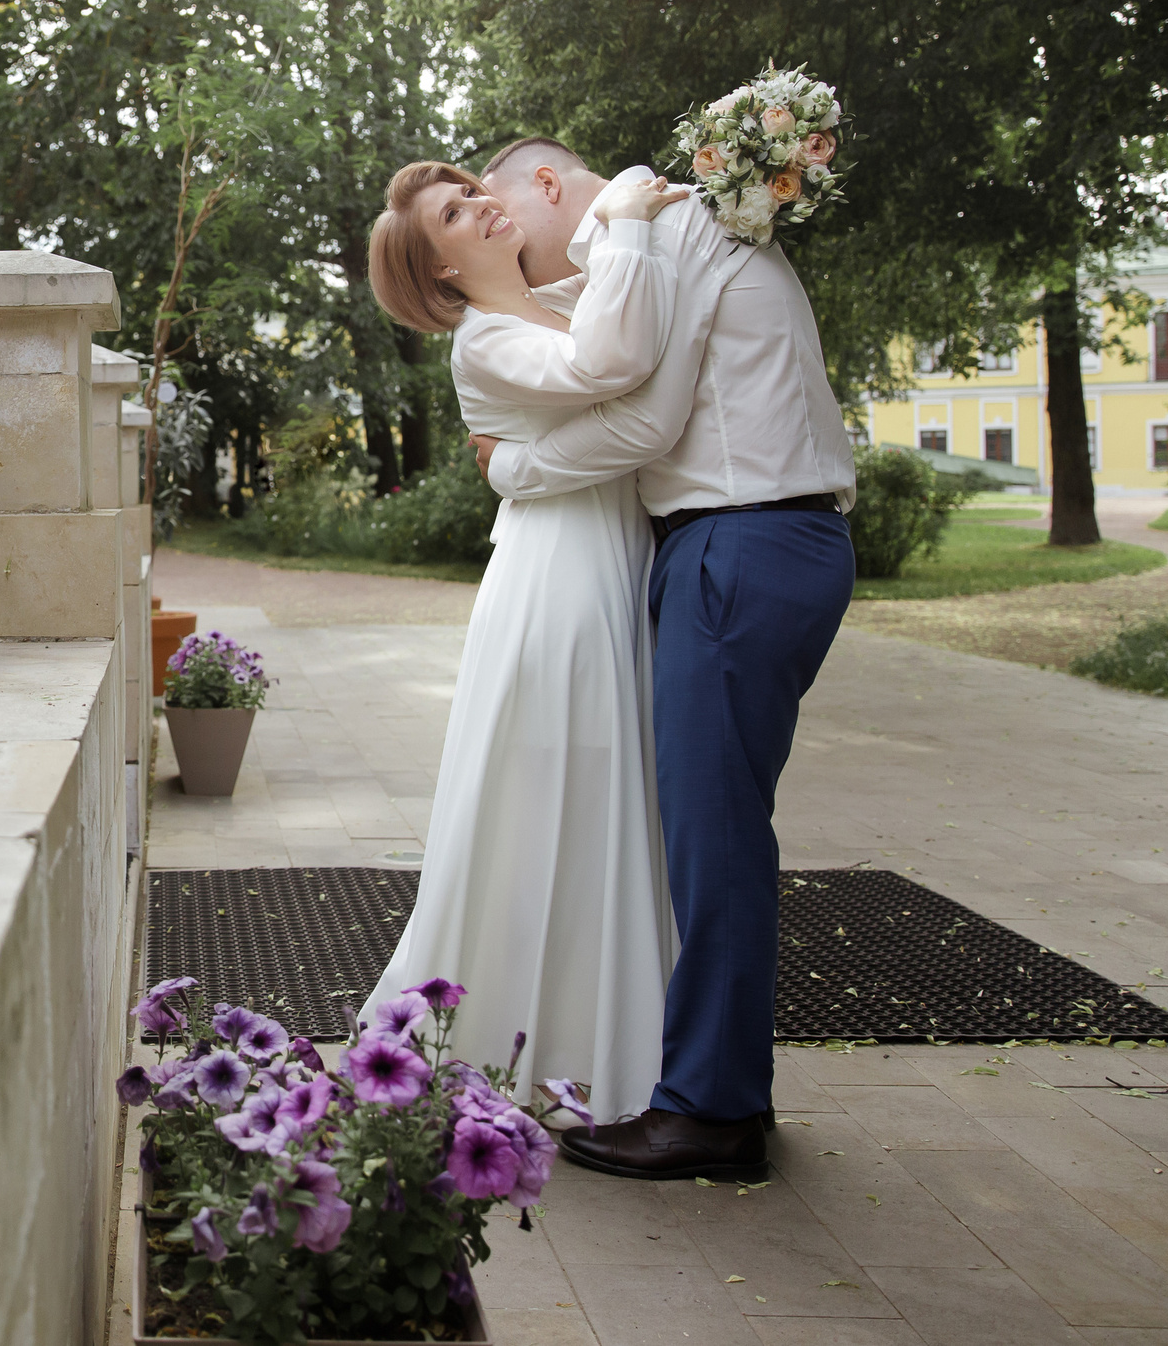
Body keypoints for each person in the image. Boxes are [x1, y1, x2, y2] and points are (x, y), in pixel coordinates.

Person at [470, 137, 856, 1183]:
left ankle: (709, 1112)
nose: (511, 245)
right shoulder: (666, 231)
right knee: (711, 830)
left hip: (741, 542)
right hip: (758, 541)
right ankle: (725, 1089)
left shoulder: (661, 230)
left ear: (547, 186)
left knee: (714, 839)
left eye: (503, 215)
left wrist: (514, 467)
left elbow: (643, 413)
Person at [361, 151, 690, 1123]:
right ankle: (523, 1041)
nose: (480, 206)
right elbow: (608, 370)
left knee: (607, 798)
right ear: (443, 273)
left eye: (470, 193)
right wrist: (626, 214)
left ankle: (594, 1038)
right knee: (559, 793)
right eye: (455, 216)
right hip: (559, 585)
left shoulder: (558, 299)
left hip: (610, 559)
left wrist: (521, 464)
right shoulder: (486, 340)